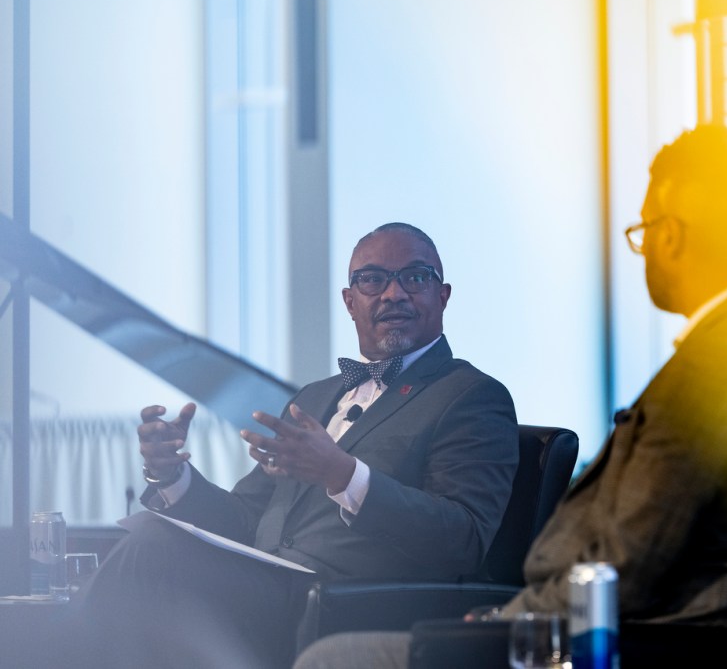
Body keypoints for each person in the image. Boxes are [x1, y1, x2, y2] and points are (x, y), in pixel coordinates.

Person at [292, 124, 727, 668]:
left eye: (644, 232)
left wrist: (505, 624)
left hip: (633, 647)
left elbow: (622, 566)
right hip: (652, 634)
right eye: (372, 281)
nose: (643, 249)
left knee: (334, 660)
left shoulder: (714, 373)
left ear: (670, 237)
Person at [56, 222, 520, 669]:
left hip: (350, 603)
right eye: (372, 279)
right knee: (151, 546)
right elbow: (243, 520)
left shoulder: (471, 395)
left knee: (153, 553)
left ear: (443, 295)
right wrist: (172, 477)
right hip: (265, 590)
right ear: (350, 301)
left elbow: (465, 539)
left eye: (415, 277)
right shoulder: (315, 398)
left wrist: (343, 475)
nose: (393, 293)